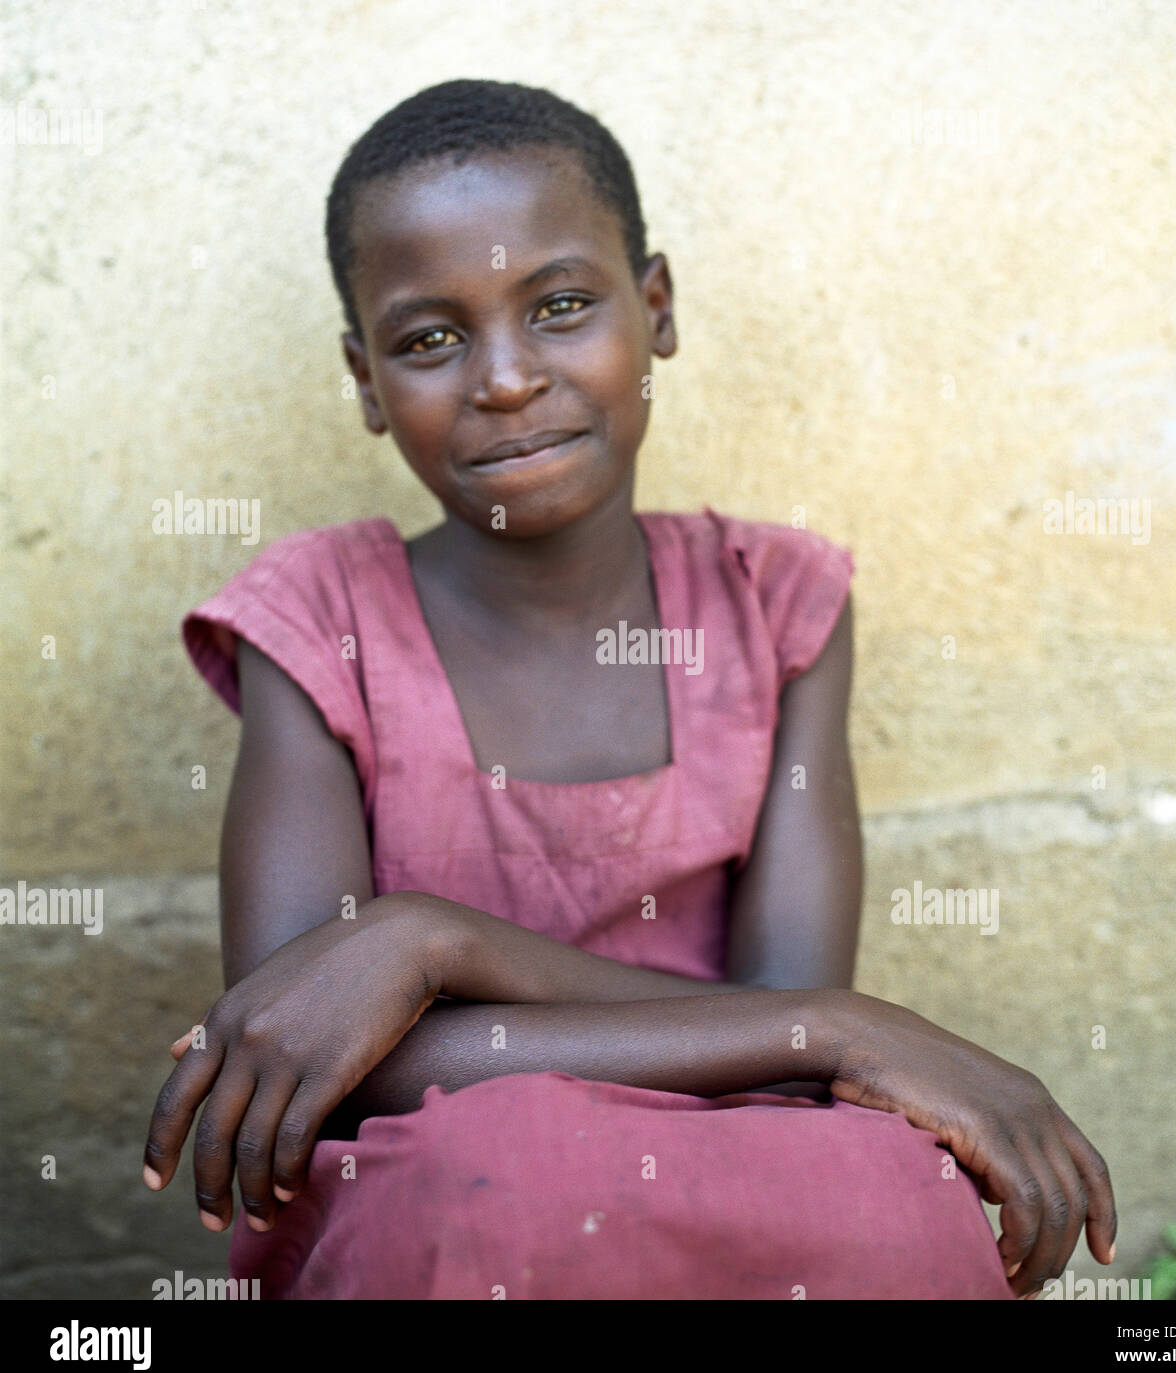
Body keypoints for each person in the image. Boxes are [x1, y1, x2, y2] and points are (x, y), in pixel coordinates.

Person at [142, 78, 1116, 1299]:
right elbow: (302, 1050)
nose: (503, 378)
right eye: (430, 337)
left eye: (558, 306)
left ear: (653, 309)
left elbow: (788, 1014)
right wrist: (839, 1026)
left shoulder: (774, 603)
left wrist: (432, 946)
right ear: (364, 379)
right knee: (494, 1167)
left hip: (740, 1142)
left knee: (894, 1201)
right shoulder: (318, 619)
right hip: (438, 1184)